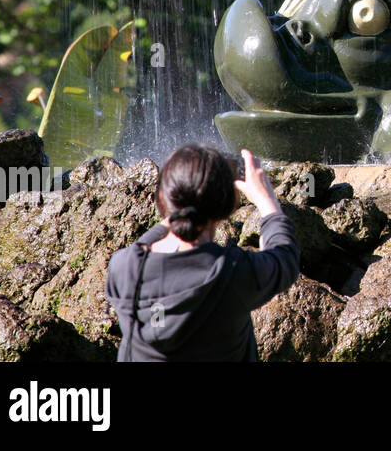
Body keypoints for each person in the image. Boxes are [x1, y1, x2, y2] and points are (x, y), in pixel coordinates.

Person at [105, 145, 299, 361]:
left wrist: (176, 209)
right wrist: (266, 200)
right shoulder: (233, 273)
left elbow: (138, 250)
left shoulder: (124, 268)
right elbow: (285, 258)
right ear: (228, 206)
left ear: (162, 198)